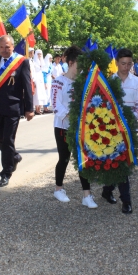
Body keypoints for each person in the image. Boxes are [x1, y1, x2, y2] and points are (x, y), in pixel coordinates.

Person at [0, 34, 34, 187]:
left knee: (8, 140)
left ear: (12, 47)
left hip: (13, 108)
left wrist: (29, 109)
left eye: (7, 47)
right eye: (2, 47)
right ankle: (14, 156)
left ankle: (6, 172)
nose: (4, 50)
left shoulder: (21, 62)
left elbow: (27, 87)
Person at [51, 45, 98, 209]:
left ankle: (87, 195)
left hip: (81, 127)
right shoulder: (58, 81)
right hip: (63, 127)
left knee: (83, 159)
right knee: (64, 158)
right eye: (79, 64)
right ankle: (58, 189)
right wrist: (72, 115)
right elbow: (55, 105)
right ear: (70, 63)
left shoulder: (83, 82)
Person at [101, 48, 138, 214]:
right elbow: (104, 105)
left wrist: (128, 119)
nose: (126, 67)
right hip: (112, 130)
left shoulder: (137, 82)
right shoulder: (110, 81)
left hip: (129, 129)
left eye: (129, 64)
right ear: (117, 63)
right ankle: (118, 196)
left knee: (124, 163)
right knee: (114, 161)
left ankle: (119, 196)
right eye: (123, 64)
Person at [33, 49, 47, 115]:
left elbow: (44, 72)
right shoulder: (34, 62)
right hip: (36, 78)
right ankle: (36, 109)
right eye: (38, 54)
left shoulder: (42, 62)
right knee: (37, 94)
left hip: (41, 79)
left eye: (40, 54)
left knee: (41, 93)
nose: (39, 55)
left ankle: (40, 108)